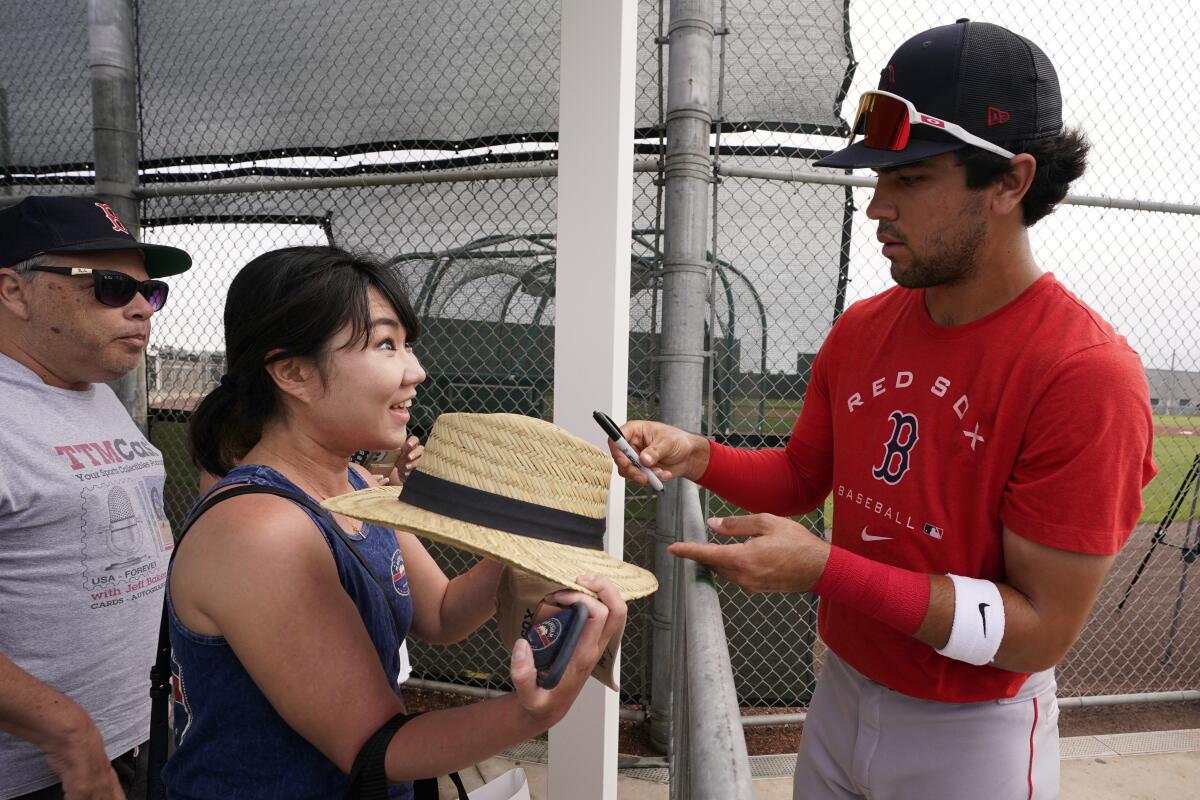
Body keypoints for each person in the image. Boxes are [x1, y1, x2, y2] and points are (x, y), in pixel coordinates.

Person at [609, 20, 1155, 800]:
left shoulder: (1085, 373)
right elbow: (802, 477)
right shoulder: (865, 325)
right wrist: (694, 453)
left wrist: (824, 570)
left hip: (971, 736)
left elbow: (1038, 629)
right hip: (839, 700)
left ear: (1010, 181)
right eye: (877, 180)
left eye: (910, 179)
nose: (877, 209)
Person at [165, 246, 633, 798]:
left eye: (406, 344)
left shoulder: (360, 488)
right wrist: (532, 713)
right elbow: (378, 748)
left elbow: (439, 614)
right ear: (293, 372)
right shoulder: (261, 531)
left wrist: (520, 544)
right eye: (386, 344)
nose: (416, 370)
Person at [0, 196, 192, 799]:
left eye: (150, 290)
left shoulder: (88, 389)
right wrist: (71, 737)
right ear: (13, 290)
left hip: (133, 738)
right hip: (44, 772)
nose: (141, 308)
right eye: (110, 287)